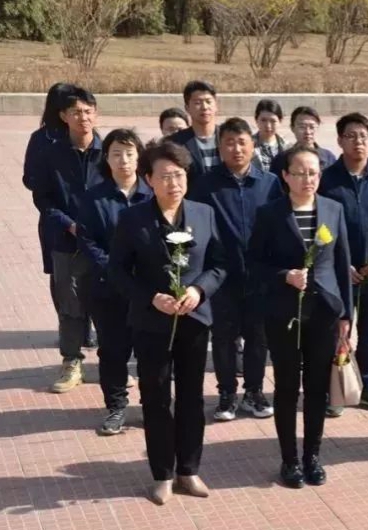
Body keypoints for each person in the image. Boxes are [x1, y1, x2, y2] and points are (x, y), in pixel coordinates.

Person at [109, 141, 227, 506]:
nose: (173, 183)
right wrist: (150, 297)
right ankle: (162, 474)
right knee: (156, 397)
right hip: (151, 323)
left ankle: (189, 470)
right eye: (164, 176)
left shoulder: (204, 213)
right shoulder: (133, 219)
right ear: (148, 179)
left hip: (194, 319)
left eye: (178, 175)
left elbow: (219, 265)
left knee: (192, 397)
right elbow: (117, 271)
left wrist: (198, 290)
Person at [249, 145, 352, 489]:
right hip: (283, 314)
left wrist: (346, 313)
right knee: (287, 387)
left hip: (324, 311)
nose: (308, 179)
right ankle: (289, 460)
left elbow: (342, 262)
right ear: (285, 176)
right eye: (300, 173)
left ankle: (312, 457)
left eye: (313, 173)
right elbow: (254, 264)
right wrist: (285, 276)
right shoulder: (270, 214)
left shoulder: (333, 209)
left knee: (317, 388)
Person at [189, 117, 282, 421]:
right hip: (222, 276)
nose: (236, 148)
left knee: (258, 337)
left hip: (259, 276)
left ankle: (254, 391)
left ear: (253, 145)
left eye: (242, 142)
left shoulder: (269, 183)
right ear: (220, 147)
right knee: (224, 337)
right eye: (229, 142)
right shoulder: (206, 184)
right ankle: (227, 394)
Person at [319, 112, 368, 415]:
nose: (358, 142)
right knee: (335, 331)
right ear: (340, 141)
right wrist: (343, 265)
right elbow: (321, 225)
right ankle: (335, 390)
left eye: (363, 136)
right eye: (350, 136)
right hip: (339, 272)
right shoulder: (327, 179)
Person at [77, 129, 152, 436]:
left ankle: (151, 405)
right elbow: (88, 241)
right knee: (113, 351)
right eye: (116, 154)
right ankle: (116, 407)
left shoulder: (153, 194)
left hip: (148, 289)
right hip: (109, 288)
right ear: (106, 158)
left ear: (139, 157)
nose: (123, 160)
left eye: (130, 153)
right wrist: (117, 271)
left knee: (150, 350)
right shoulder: (93, 198)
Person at [31, 86, 104, 393]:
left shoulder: (110, 150)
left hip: (104, 242)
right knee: (70, 304)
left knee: (108, 302)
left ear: (96, 114)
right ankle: (71, 361)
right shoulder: (51, 153)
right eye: (76, 112)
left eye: (88, 111)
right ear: (63, 116)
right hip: (65, 241)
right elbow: (42, 198)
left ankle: (111, 362)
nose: (83, 117)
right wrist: (69, 225)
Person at [23, 82, 73, 298]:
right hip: (56, 216)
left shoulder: (87, 136)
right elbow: (30, 179)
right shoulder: (42, 139)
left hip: (81, 217)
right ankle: (66, 318)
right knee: (60, 272)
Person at [167, 80, 220, 186]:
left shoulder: (229, 137)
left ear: (216, 105)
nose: (204, 107)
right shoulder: (175, 143)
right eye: (197, 103)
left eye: (208, 101)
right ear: (187, 108)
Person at [269, 107, 337, 186]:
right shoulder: (281, 160)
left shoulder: (329, 158)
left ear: (318, 127)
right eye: (302, 127)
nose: (307, 132)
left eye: (312, 127)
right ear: (292, 128)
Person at [252, 99, 288, 172]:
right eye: (263, 120)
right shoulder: (248, 145)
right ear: (256, 120)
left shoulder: (288, 147)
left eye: (273, 121)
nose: (268, 126)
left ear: (280, 121)